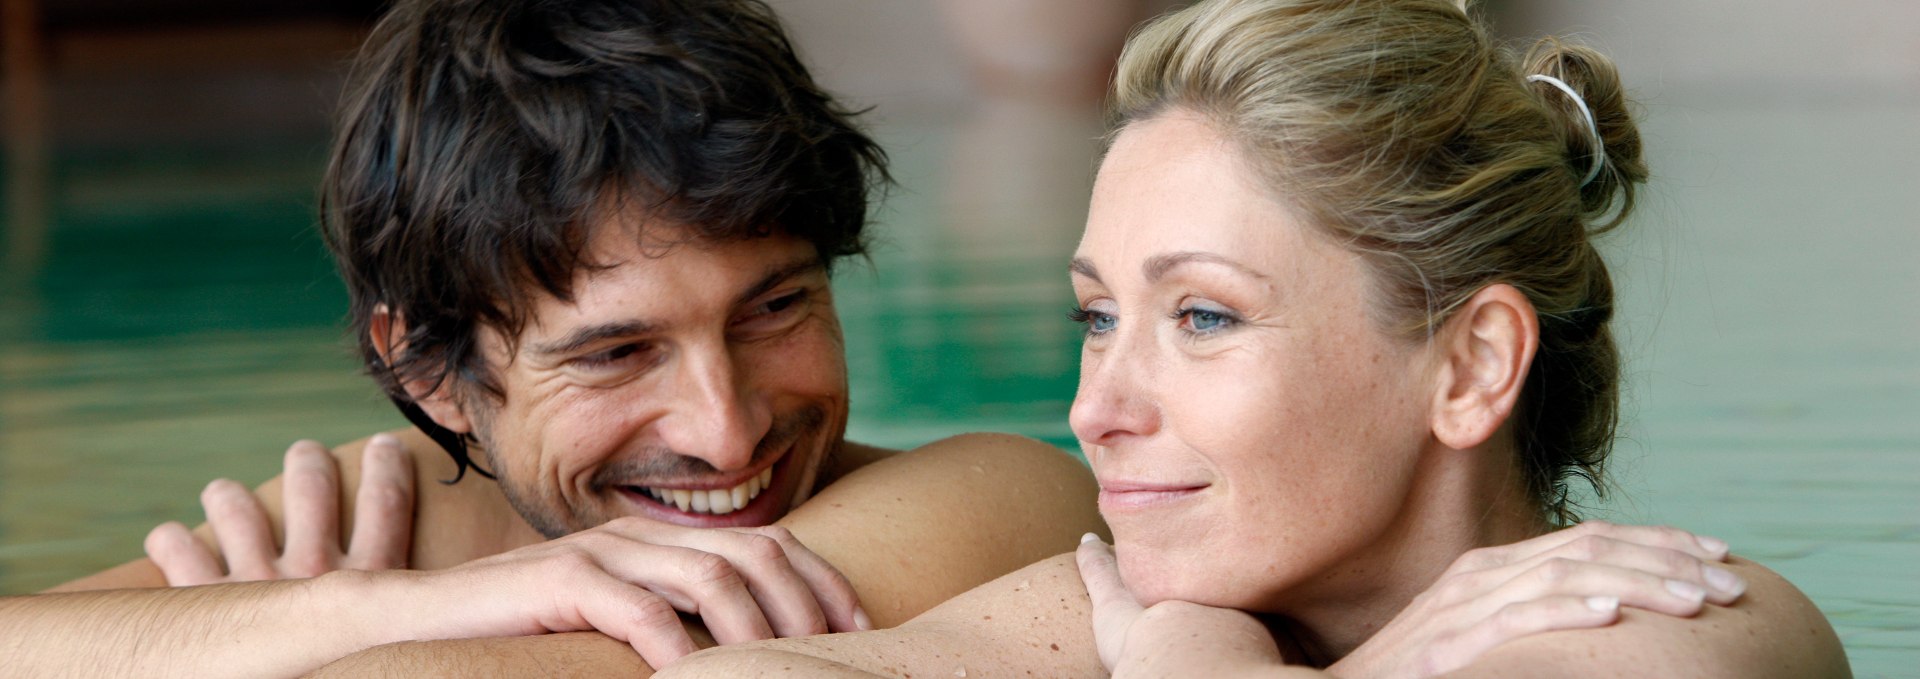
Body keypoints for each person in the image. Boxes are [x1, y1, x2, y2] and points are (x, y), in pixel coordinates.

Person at [659, 0, 1852, 676]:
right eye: (1098, 317)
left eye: (1204, 317)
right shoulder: (1145, 602)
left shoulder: (1678, 630)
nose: (1094, 410)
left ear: (1473, 364)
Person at [0, 0, 1105, 675]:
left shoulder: (994, 501)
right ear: (424, 368)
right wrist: (366, 607)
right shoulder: (385, 535)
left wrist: (258, 642)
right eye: (617, 353)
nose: (727, 435)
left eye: (774, 309)